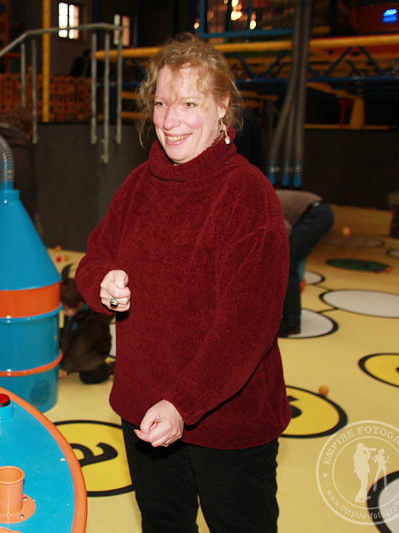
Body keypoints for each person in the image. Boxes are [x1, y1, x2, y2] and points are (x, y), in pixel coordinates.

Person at [74, 34, 291, 532]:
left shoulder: (248, 196)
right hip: (144, 409)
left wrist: (183, 403)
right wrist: (103, 282)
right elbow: (94, 258)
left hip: (230, 420)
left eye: (189, 104)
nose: (170, 120)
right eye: (161, 103)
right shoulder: (137, 186)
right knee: (163, 523)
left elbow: (248, 326)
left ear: (222, 107)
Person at [276, 190, 335, 337]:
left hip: (316, 214)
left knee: (287, 266)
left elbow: (285, 229)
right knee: (284, 265)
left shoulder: (256, 205)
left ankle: (291, 323)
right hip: (314, 212)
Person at [59, 277, 115, 384]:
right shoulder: (73, 306)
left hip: (95, 349)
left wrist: (65, 368)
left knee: (88, 377)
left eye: (66, 309)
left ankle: (110, 368)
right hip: (77, 337)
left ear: (80, 305)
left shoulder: (94, 320)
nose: (64, 312)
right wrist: (63, 354)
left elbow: (80, 347)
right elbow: (66, 333)